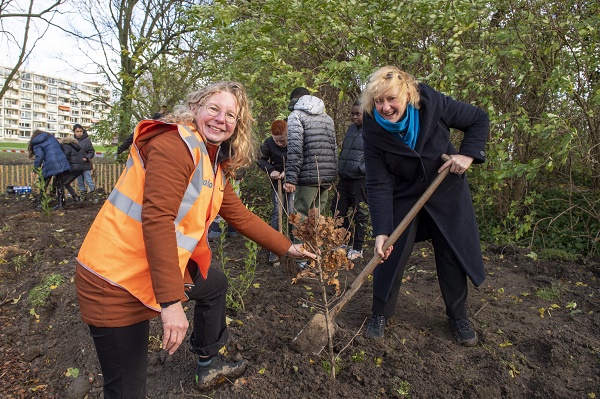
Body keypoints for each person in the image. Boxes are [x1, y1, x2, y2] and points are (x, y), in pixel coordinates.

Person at [75, 81, 315, 398]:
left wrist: (288, 247)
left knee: (213, 284)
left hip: (146, 270)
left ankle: (209, 361)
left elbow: (240, 215)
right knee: (126, 390)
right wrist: (171, 304)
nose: (221, 119)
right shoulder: (176, 146)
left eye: (231, 115)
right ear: (196, 108)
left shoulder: (211, 161)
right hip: (114, 280)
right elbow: (157, 219)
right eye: (214, 109)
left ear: (238, 125)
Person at [360, 66, 488, 346]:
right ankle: (379, 313)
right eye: (378, 101)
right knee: (389, 252)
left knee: (451, 254)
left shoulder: (432, 102)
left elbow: (478, 118)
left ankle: (458, 316)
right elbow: (378, 181)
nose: (385, 107)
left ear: (407, 94)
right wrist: (381, 230)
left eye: (391, 99)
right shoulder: (371, 128)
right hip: (404, 194)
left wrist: (467, 154)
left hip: (445, 189)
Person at [284, 87, 337, 221]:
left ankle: (300, 243)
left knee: (300, 216)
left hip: (307, 177)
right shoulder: (327, 118)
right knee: (317, 218)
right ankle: (316, 243)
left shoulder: (295, 116)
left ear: (294, 101)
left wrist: (290, 178)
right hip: (325, 177)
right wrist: (331, 176)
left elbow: (295, 149)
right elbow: (333, 149)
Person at [331, 100, 368, 261]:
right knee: (337, 209)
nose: (354, 117)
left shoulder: (373, 130)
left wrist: (362, 169)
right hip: (345, 177)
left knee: (360, 213)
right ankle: (345, 241)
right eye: (352, 114)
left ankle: (358, 248)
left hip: (360, 179)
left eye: (357, 114)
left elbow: (378, 155)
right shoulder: (352, 129)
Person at [257, 119, 294, 263]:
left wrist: (289, 173)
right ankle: (275, 249)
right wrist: (271, 170)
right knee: (277, 213)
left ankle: (293, 246)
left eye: (282, 140)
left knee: (292, 213)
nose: (280, 144)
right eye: (277, 141)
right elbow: (259, 159)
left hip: (293, 182)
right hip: (276, 183)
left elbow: (300, 159)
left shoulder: (295, 141)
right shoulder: (268, 143)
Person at [28, 129, 71, 209]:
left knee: (43, 183)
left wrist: (35, 169)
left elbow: (39, 156)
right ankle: (61, 203)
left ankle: (41, 203)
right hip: (61, 161)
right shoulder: (51, 138)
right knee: (59, 183)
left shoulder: (37, 143)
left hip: (50, 163)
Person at [59, 136, 85, 203]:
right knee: (66, 183)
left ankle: (61, 201)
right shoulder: (76, 148)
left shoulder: (65, 146)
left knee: (60, 183)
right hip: (80, 168)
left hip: (72, 168)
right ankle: (76, 198)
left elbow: (65, 157)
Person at [72, 124, 96, 196]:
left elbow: (91, 151)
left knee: (88, 179)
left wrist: (87, 158)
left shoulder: (87, 141)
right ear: (74, 132)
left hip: (86, 164)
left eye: (80, 131)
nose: (79, 133)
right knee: (80, 182)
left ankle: (94, 194)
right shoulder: (73, 141)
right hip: (77, 165)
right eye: (77, 131)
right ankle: (83, 195)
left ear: (83, 131)